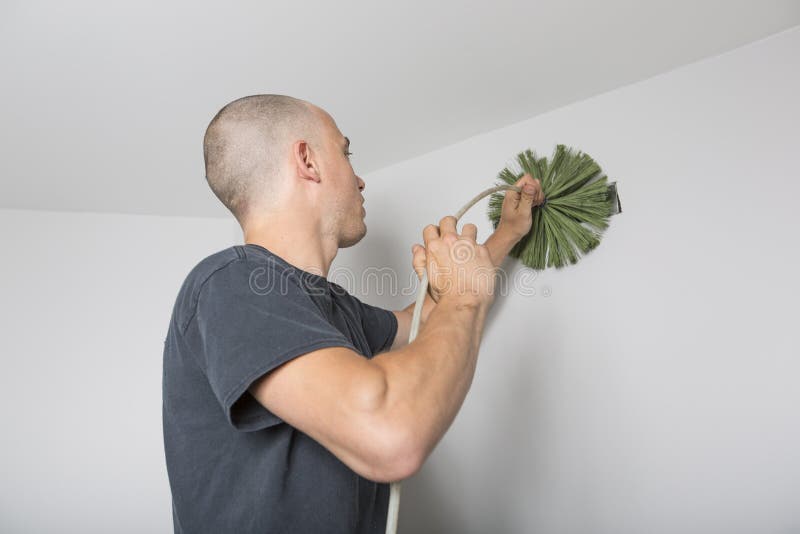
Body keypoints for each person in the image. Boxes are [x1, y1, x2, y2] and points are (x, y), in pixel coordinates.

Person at [162, 94, 543, 533]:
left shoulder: (334, 308)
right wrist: (466, 295)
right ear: (308, 161)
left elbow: (427, 318)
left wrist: (508, 234)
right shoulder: (229, 283)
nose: (360, 180)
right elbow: (391, 434)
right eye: (345, 152)